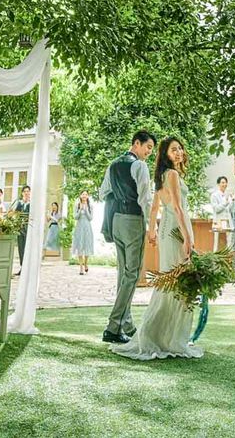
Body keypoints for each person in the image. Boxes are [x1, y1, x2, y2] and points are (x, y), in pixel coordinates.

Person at [112, 136, 203, 360]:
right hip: (175, 229)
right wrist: (187, 238)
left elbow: (155, 208)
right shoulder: (172, 175)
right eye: (174, 150)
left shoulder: (161, 175)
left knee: (169, 281)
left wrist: (152, 231)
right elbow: (178, 208)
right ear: (166, 154)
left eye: (180, 148)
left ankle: (164, 335)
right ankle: (166, 337)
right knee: (175, 282)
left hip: (166, 229)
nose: (179, 152)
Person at [100, 130, 156, 344]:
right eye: (148, 147)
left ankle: (127, 324)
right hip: (133, 221)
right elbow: (145, 198)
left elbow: (103, 192)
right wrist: (152, 225)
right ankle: (113, 327)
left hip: (116, 221)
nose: (149, 152)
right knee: (132, 274)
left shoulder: (113, 165)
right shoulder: (139, 166)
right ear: (137, 143)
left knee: (123, 273)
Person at [9, 185, 31, 274]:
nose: (26, 193)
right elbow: (15, 213)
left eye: (28, 191)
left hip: (28, 228)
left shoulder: (31, 204)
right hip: (20, 228)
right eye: (24, 191)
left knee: (27, 248)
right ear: (22, 193)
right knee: (21, 248)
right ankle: (22, 267)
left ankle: (28, 268)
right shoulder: (19, 203)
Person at [72, 190, 95, 274]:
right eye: (83, 194)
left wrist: (86, 210)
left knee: (87, 245)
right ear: (80, 196)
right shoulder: (77, 205)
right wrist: (80, 210)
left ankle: (86, 263)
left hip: (87, 227)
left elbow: (90, 218)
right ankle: (81, 267)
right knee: (80, 246)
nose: (84, 196)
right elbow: (75, 217)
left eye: (86, 194)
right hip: (79, 227)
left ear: (88, 196)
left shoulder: (90, 206)